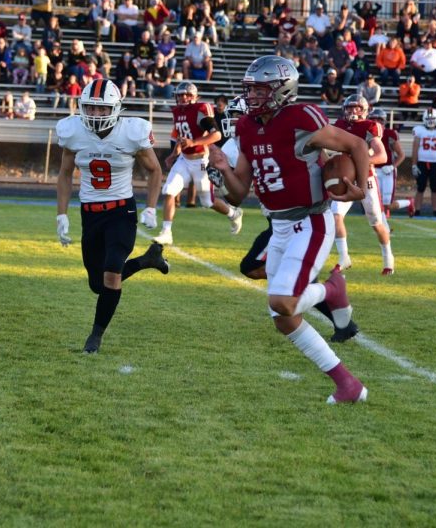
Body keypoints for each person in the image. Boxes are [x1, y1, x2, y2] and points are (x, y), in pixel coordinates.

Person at [210, 55, 369, 404]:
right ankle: (348, 385)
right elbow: (239, 193)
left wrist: (363, 191)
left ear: (282, 89)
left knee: (283, 301)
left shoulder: (301, 118)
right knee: (282, 318)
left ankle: (331, 290)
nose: (251, 97)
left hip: (311, 220)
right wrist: (222, 171)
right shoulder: (246, 128)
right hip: (279, 225)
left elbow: (356, 145)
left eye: (260, 90)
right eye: (249, 89)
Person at [55, 79, 166, 354]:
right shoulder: (73, 132)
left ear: (115, 109)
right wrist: (61, 215)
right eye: (90, 109)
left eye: (102, 109)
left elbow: (154, 170)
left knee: (112, 273)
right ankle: (146, 260)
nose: (95, 115)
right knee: (97, 284)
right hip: (90, 214)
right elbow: (65, 174)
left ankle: (94, 338)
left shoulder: (132, 132)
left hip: (121, 212)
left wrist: (151, 207)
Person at [152, 81, 243, 245]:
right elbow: (182, 137)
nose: (184, 98)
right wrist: (173, 154)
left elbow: (216, 136)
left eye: (187, 95)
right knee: (169, 190)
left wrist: (193, 142)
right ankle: (166, 232)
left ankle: (234, 213)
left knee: (208, 202)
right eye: (180, 95)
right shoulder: (177, 111)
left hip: (201, 160)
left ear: (195, 96)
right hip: (184, 160)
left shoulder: (199, 110)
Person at [330, 95, 394, 275]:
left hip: (366, 179)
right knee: (336, 215)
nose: (352, 111)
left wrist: (361, 162)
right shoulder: (340, 126)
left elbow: (382, 156)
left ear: (364, 110)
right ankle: (344, 257)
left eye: (356, 108)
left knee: (376, 222)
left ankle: (388, 258)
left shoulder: (369, 127)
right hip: (345, 178)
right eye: (349, 108)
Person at [368, 107, 412, 221]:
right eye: (374, 120)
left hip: (387, 171)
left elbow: (401, 155)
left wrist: (392, 166)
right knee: (375, 202)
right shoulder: (366, 134)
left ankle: (409, 202)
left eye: (379, 120)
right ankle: (384, 226)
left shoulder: (389, 134)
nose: (376, 123)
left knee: (386, 205)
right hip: (373, 170)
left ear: (384, 121)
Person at [411, 108, 436, 217]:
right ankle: (416, 210)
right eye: (428, 118)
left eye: (432, 118)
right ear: (424, 119)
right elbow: (415, 148)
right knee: (420, 187)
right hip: (422, 163)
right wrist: (414, 164)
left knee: (435, 188)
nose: (430, 120)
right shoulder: (419, 130)